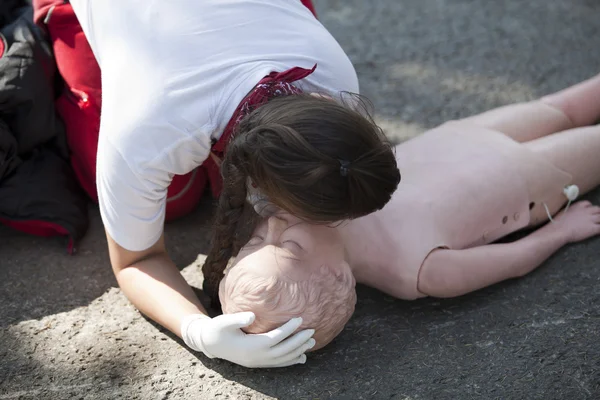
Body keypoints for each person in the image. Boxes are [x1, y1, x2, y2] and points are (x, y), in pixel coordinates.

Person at [31, 0, 401, 368]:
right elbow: (134, 261)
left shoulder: (333, 80)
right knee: (174, 199)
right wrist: (197, 331)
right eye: (295, 224)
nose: (272, 224)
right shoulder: (150, 131)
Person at [216, 72, 600, 352]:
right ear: (334, 274)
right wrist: (560, 232)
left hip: (461, 140)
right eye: (290, 246)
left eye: (256, 239)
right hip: (528, 180)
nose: (274, 224)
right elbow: (512, 261)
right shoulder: (414, 272)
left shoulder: (309, 204)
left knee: (561, 107)